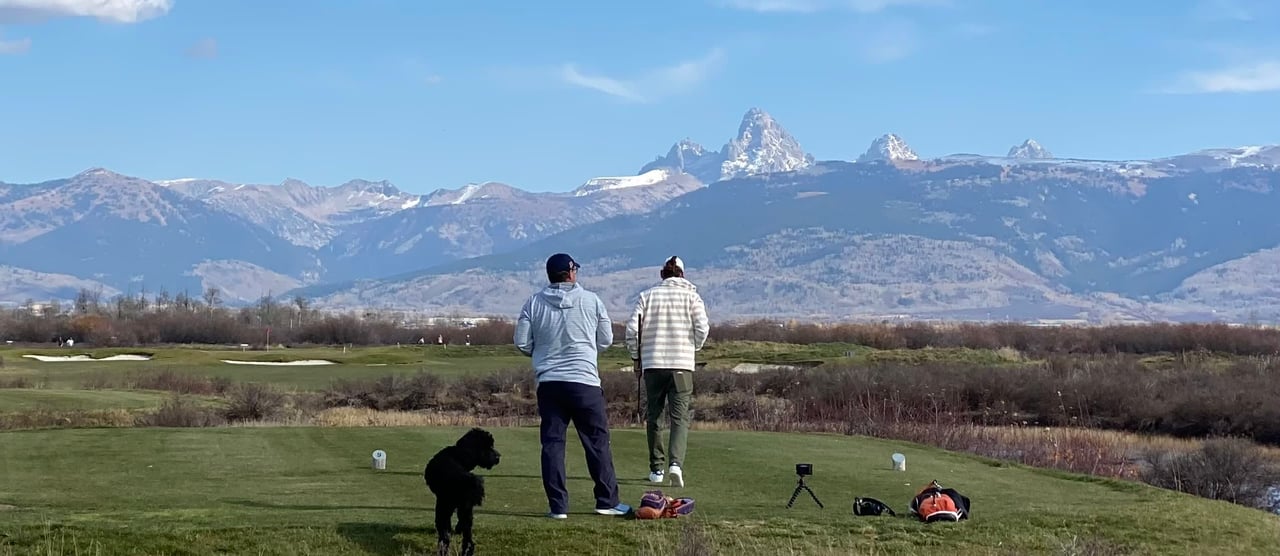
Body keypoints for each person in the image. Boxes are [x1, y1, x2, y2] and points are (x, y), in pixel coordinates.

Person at [514, 253, 631, 519]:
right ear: (571, 273)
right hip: (585, 382)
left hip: (550, 383)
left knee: (553, 444)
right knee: (597, 442)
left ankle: (558, 507)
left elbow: (522, 342)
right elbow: (606, 340)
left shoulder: (533, 303)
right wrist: (586, 350)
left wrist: (543, 354)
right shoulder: (592, 301)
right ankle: (606, 501)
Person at [625, 255, 710, 488]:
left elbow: (632, 330)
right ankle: (676, 464)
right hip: (681, 365)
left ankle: (656, 469)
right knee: (679, 417)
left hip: (652, 365)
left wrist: (636, 357)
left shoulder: (647, 296)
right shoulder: (692, 296)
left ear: (663, 273)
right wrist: (693, 346)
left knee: (654, 416)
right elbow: (703, 328)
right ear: (682, 273)